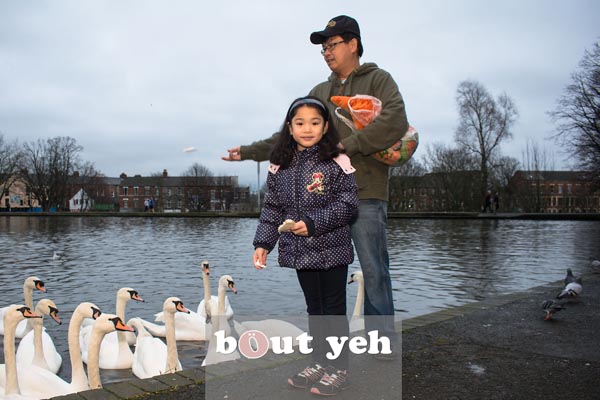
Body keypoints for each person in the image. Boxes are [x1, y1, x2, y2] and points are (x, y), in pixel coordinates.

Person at [223, 15, 406, 356]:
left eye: (332, 45)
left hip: (365, 194)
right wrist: (248, 152)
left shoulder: (379, 80)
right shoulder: (320, 93)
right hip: (319, 202)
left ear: (353, 44)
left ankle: (381, 344)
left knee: (373, 271)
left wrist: (344, 147)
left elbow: (396, 120)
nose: (326, 52)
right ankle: (329, 351)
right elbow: (290, 134)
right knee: (323, 279)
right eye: (323, 48)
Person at [252, 96, 358, 395]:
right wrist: (264, 243)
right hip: (301, 252)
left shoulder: (338, 162)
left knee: (333, 310)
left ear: (325, 127)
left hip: (333, 247)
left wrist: (313, 223)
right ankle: (319, 362)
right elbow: (272, 209)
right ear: (290, 127)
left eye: (314, 122)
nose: (307, 129)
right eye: (300, 123)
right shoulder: (279, 166)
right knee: (315, 309)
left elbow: (349, 205)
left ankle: (340, 368)